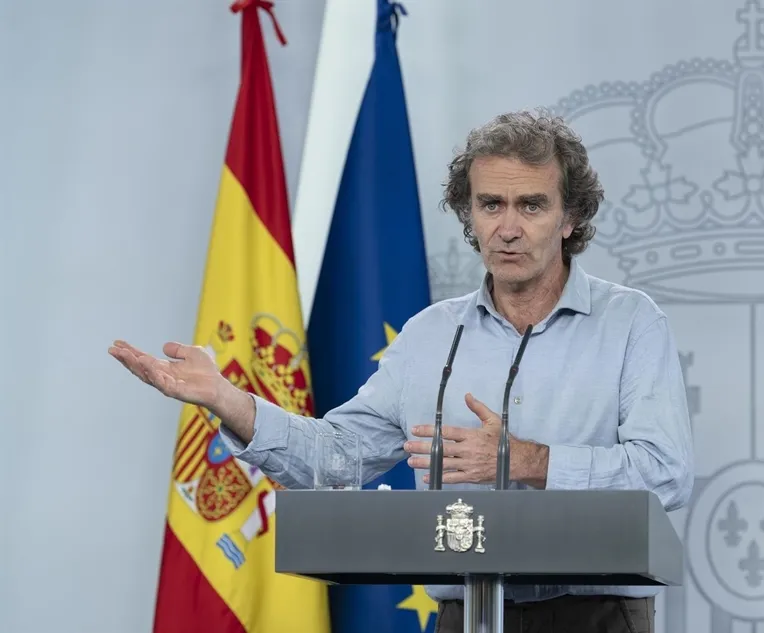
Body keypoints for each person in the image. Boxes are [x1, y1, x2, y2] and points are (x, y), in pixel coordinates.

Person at [110, 109, 694, 633]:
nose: (507, 227)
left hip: (593, 619)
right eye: (490, 205)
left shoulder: (631, 323)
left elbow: (666, 471)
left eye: (531, 206)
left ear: (570, 218)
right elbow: (336, 455)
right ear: (470, 215)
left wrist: (528, 460)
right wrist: (227, 399)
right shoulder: (430, 335)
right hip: (462, 614)